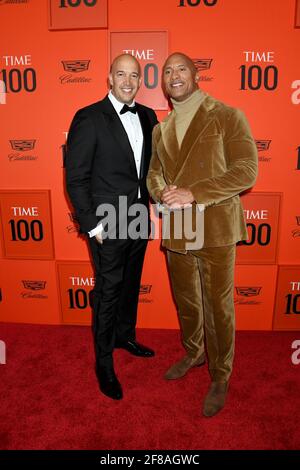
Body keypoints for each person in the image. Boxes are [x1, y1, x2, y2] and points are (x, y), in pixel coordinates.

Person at [147, 52, 258, 417]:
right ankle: (194, 353)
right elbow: (153, 174)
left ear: (196, 75)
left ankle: (221, 374)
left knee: (218, 306)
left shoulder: (226, 115)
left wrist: (194, 193)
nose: (174, 75)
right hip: (179, 225)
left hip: (214, 226)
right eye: (167, 71)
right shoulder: (160, 129)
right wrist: (161, 191)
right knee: (188, 302)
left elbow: (245, 171)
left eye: (181, 69)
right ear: (162, 82)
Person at [65, 54, 158, 400]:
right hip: (107, 221)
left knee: (131, 284)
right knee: (107, 293)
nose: (128, 81)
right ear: (109, 78)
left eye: (134, 75)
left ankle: (125, 336)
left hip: (138, 218)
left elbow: (151, 170)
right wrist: (92, 226)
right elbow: (75, 179)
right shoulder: (89, 118)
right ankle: (104, 363)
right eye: (121, 74)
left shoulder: (148, 116)